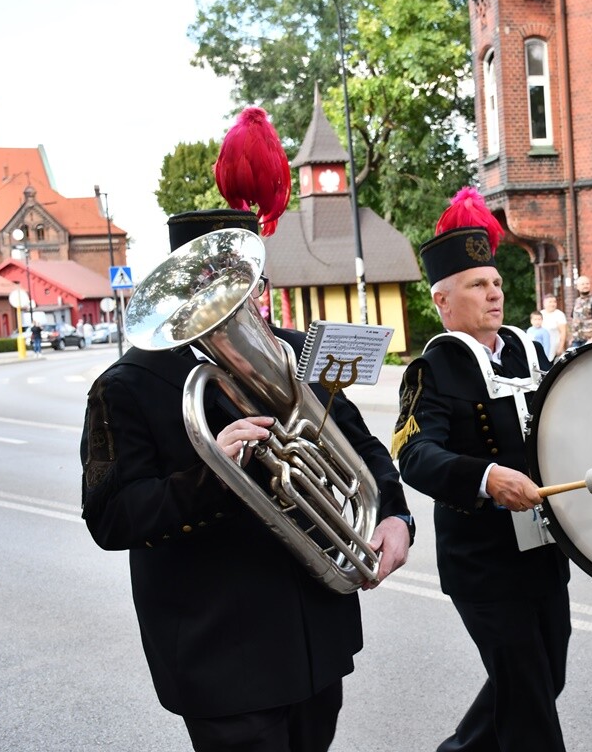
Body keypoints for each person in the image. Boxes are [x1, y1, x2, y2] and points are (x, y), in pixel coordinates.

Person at [79, 107, 413, 752]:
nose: (243, 301)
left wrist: (395, 514)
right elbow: (110, 517)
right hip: (219, 654)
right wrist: (213, 477)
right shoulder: (125, 387)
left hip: (316, 637)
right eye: (216, 289)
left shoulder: (293, 351)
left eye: (245, 282)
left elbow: (362, 449)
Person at [393, 186, 570, 752]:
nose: (494, 294)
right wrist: (487, 477)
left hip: (543, 551)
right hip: (483, 563)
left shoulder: (527, 352)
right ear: (443, 301)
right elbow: (415, 454)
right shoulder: (432, 369)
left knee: (543, 681)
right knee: (529, 704)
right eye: (477, 285)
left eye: (495, 283)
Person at [568, 275, 592, 348]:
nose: (585, 286)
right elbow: (573, 320)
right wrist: (571, 337)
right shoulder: (576, 301)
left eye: (587, 284)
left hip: (589, 341)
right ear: (577, 286)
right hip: (576, 340)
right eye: (582, 284)